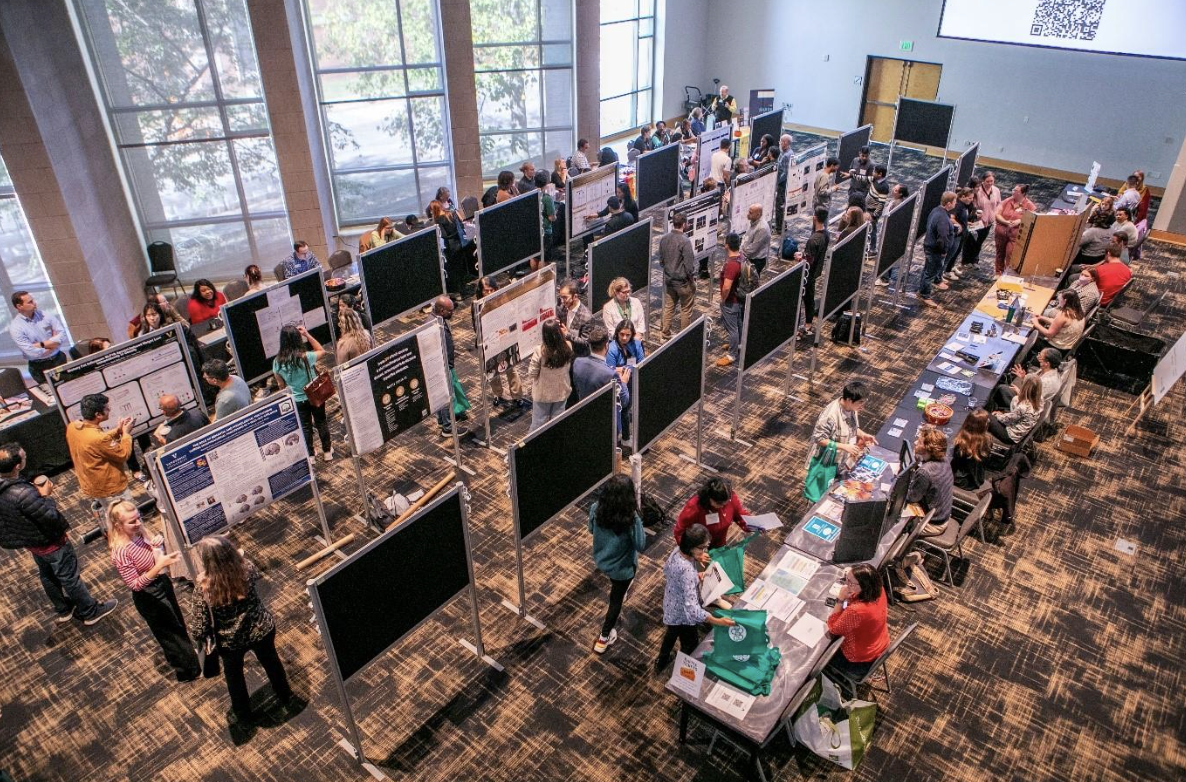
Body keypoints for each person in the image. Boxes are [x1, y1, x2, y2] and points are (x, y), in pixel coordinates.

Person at [187, 535, 299, 731]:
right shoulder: (247, 568)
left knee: (235, 677)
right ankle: (285, 695)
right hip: (261, 629)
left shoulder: (204, 588)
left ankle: (244, 716)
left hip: (230, 641)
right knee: (271, 661)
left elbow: (199, 628)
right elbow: (250, 572)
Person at [0, 443, 118, 626]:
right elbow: (50, 516)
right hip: (51, 543)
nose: (26, 457)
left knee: (47, 574)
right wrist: (45, 496)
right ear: (17, 466)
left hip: (32, 543)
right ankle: (90, 612)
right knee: (69, 578)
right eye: (24, 456)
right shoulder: (23, 494)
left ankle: (63, 609)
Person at [107, 500, 199, 681]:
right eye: (132, 521)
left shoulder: (140, 533)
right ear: (118, 525)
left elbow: (154, 557)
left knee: (177, 624)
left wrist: (157, 545)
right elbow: (134, 584)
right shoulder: (121, 552)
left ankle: (187, 657)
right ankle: (187, 671)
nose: (138, 523)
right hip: (148, 595)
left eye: (139, 518)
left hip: (161, 583)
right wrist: (159, 566)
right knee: (169, 634)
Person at [654, 523, 736, 674]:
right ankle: (682, 672)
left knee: (671, 634)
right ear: (691, 547)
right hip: (683, 615)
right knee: (690, 644)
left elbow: (668, 571)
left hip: (671, 604)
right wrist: (718, 621)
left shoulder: (677, 551)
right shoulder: (687, 570)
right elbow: (693, 610)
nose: (704, 552)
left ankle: (661, 660)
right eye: (701, 548)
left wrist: (695, 576)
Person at [587, 474, 646, 654]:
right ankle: (604, 638)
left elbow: (591, 529)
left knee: (618, 591)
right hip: (623, 570)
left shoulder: (596, 508)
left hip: (603, 562)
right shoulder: (631, 519)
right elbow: (641, 545)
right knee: (615, 602)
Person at [65, 393, 135, 514]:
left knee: (111, 515)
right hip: (111, 489)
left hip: (93, 484)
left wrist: (117, 431)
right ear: (98, 415)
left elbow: (96, 442)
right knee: (127, 515)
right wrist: (126, 434)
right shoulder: (99, 439)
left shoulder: (72, 427)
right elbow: (123, 454)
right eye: (107, 409)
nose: (109, 410)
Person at [272, 324, 332, 460]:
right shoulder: (306, 357)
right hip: (314, 396)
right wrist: (307, 334)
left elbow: (281, 384)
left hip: (298, 400)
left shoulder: (277, 362)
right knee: (321, 422)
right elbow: (321, 350)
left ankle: (310, 456)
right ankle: (327, 452)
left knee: (305, 427)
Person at [824, 563, 889, 680]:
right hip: (879, 644)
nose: (846, 584)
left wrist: (840, 599)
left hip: (858, 660)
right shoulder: (879, 590)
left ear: (864, 586)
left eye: (850, 582)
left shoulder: (857, 611)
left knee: (820, 654)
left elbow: (834, 628)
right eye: (846, 579)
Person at [475, 277, 527, 411]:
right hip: (489, 342)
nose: (489, 293)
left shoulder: (502, 298)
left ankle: (517, 395)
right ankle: (498, 394)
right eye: (486, 291)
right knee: (492, 370)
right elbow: (476, 324)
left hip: (505, 338)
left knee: (511, 368)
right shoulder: (477, 304)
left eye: (491, 290)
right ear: (481, 291)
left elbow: (511, 316)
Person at [525, 318, 585, 432]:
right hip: (562, 391)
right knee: (557, 423)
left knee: (538, 424)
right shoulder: (568, 346)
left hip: (543, 394)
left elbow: (532, 373)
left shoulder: (539, 351)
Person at [809, 380, 877, 471]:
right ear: (849, 400)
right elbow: (819, 439)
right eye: (860, 402)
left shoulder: (852, 408)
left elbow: (850, 428)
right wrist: (844, 446)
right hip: (825, 463)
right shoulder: (829, 416)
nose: (862, 406)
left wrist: (863, 435)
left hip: (840, 460)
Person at [8, 291, 68, 384]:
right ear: (19, 306)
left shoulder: (45, 315)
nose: (34, 303)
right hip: (39, 367)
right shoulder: (16, 327)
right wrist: (53, 345)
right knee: (51, 391)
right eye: (30, 302)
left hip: (59, 359)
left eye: (33, 300)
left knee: (70, 387)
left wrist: (41, 345)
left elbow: (62, 334)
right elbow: (31, 352)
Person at [673, 477, 749, 550]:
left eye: (726, 503)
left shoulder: (730, 498)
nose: (722, 506)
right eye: (719, 503)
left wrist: (754, 525)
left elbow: (740, 515)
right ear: (709, 497)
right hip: (699, 547)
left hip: (719, 545)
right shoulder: (694, 507)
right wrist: (693, 552)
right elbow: (679, 533)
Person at [907, 426, 954, 536]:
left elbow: (911, 497)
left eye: (919, 442)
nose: (915, 442)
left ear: (926, 448)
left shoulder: (925, 472)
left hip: (932, 524)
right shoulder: (944, 459)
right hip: (943, 515)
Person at [658, 212, 697, 339]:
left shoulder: (664, 238)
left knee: (669, 307)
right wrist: (692, 280)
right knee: (686, 309)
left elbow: (661, 261)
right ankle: (683, 337)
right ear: (684, 224)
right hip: (683, 283)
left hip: (669, 280)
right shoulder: (685, 241)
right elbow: (689, 266)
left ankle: (665, 333)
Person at [991, 347, 1062, 412]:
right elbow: (1032, 387)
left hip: (1027, 407)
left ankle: (994, 410)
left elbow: (1032, 402)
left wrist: (1018, 392)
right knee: (1003, 386)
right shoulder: (1047, 370)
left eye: (1040, 357)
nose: (1037, 357)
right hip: (1026, 396)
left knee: (1001, 388)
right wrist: (1024, 377)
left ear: (1047, 363)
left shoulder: (1047, 382)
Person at [919, 191, 957, 307]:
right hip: (935, 249)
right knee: (930, 272)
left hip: (930, 246)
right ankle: (925, 295)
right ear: (949, 203)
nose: (955, 204)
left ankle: (922, 291)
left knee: (927, 270)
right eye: (954, 201)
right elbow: (942, 237)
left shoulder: (936, 210)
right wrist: (944, 251)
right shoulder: (943, 218)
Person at [796, 208, 830, 335]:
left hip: (807, 274)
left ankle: (799, 328)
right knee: (810, 298)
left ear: (814, 218)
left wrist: (800, 258)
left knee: (801, 299)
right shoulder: (826, 234)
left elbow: (808, 261)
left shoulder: (813, 240)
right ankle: (808, 323)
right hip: (815, 272)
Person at [432, 198, 473, 300]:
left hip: (451, 248)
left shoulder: (438, 219)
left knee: (454, 271)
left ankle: (461, 292)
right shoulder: (450, 214)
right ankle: (465, 289)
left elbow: (444, 235)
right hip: (460, 243)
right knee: (461, 268)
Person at [988, 373, 1042, 445]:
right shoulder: (1040, 400)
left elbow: (1006, 420)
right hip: (1017, 427)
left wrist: (997, 415)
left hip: (1010, 436)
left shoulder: (1023, 407)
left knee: (984, 416)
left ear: (1025, 388)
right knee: (1003, 389)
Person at [993, 183, 1035, 276]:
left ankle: (1007, 274)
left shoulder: (1029, 205)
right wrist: (1006, 222)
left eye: (1016, 191)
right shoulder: (1007, 201)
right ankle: (998, 272)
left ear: (1023, 193)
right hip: (1001, 232)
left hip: (1015, 235)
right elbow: (997, 214)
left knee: (1010, 254)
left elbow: (1032, 218)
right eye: (1013, 190)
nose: (1013, 192)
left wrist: (1020, 221)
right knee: (1000, 252)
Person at [716, 233, 744, 368]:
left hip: (731, 301)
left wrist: (723, 299)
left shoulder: (732, 265)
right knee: (738, 324)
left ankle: (732, 355)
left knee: (732, 328)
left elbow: (727, 287)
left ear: (727, 245)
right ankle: (738, 344)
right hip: (738, 299)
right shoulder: (741, 257)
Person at [951, 409, 993, 493]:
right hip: (978, 477)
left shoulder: (963, 443)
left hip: (963, 480)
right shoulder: (988, 439)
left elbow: (954, 465)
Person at [965, 172, 1001, 267]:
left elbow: (998, 204)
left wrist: (994, 214)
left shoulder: (996, 190)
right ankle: (966, 261)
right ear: (983, 181)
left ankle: (975, 260)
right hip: (976, 221)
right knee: (970, 241)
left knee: (980, 241)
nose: (990, 183)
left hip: (988, 222)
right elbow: (972, 205)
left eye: (992, 181)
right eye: (987, 181)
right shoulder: (977, 191)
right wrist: (976, 214)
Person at [942, 187, 974, 282]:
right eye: (970, 198)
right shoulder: (958, 206)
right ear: (963, 196)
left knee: (955, 253)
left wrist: (966, 223)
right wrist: (960, 226)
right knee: (950, 255)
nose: (971, 200)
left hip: (961, 235)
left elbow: (960, 218)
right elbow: (951, 218)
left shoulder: (964, 206)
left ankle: (948, 269)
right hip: (956, 236)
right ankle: (943, 273)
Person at [741, 203, 771, 276]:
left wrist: (740, 255)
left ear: (758, 215)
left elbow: (753, 248)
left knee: (751, 280)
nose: (748, 214)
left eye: (750, 213)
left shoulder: (762, 228)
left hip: (755, 261)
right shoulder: (753, 221)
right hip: (748, 256)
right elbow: (746, 238)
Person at [535, 170, 557, 269]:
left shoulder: (532, 195)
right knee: (544, 258)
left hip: (535, 230)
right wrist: (555, 215)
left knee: (535, 256)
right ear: (546, 183)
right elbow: (551, 217)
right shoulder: (547, 198)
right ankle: (541, 277)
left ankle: (533, 275)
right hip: (545, 231)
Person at [774, 134, 793, 232]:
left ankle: (779, 228)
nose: (780, 143)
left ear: (786, 142)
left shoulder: (786, 156)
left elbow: (785, 173)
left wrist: (776, 182)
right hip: (784, 184)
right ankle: (781, 225)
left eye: (781, 141)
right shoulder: (789, 152)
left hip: (782, 185)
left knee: (779, 206)